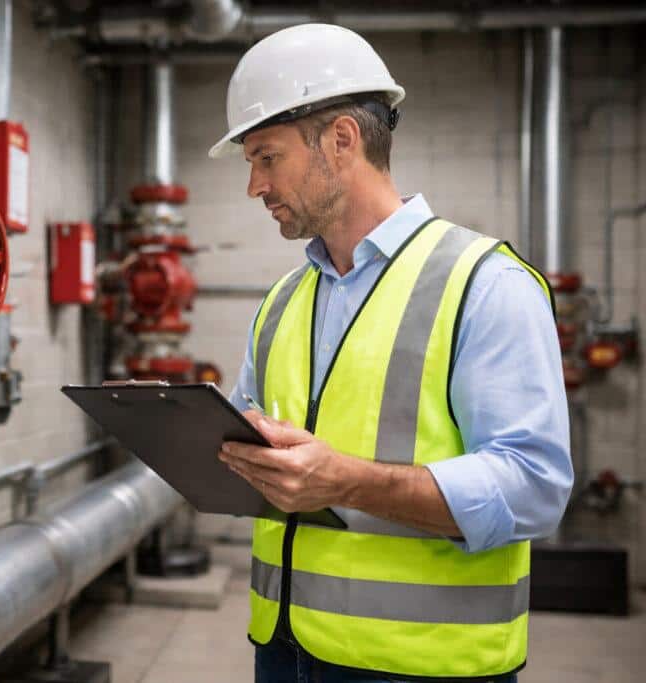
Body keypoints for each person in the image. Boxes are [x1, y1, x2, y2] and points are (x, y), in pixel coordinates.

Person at [210, 24, 572, 683]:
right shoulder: (284, 299)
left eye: (267, 157)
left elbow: (536, 487)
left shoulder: (484, 283)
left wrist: (346, 479)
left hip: (422, 664)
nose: (254, 185)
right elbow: (251, 450)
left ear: (342, 141)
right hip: (284, 651)